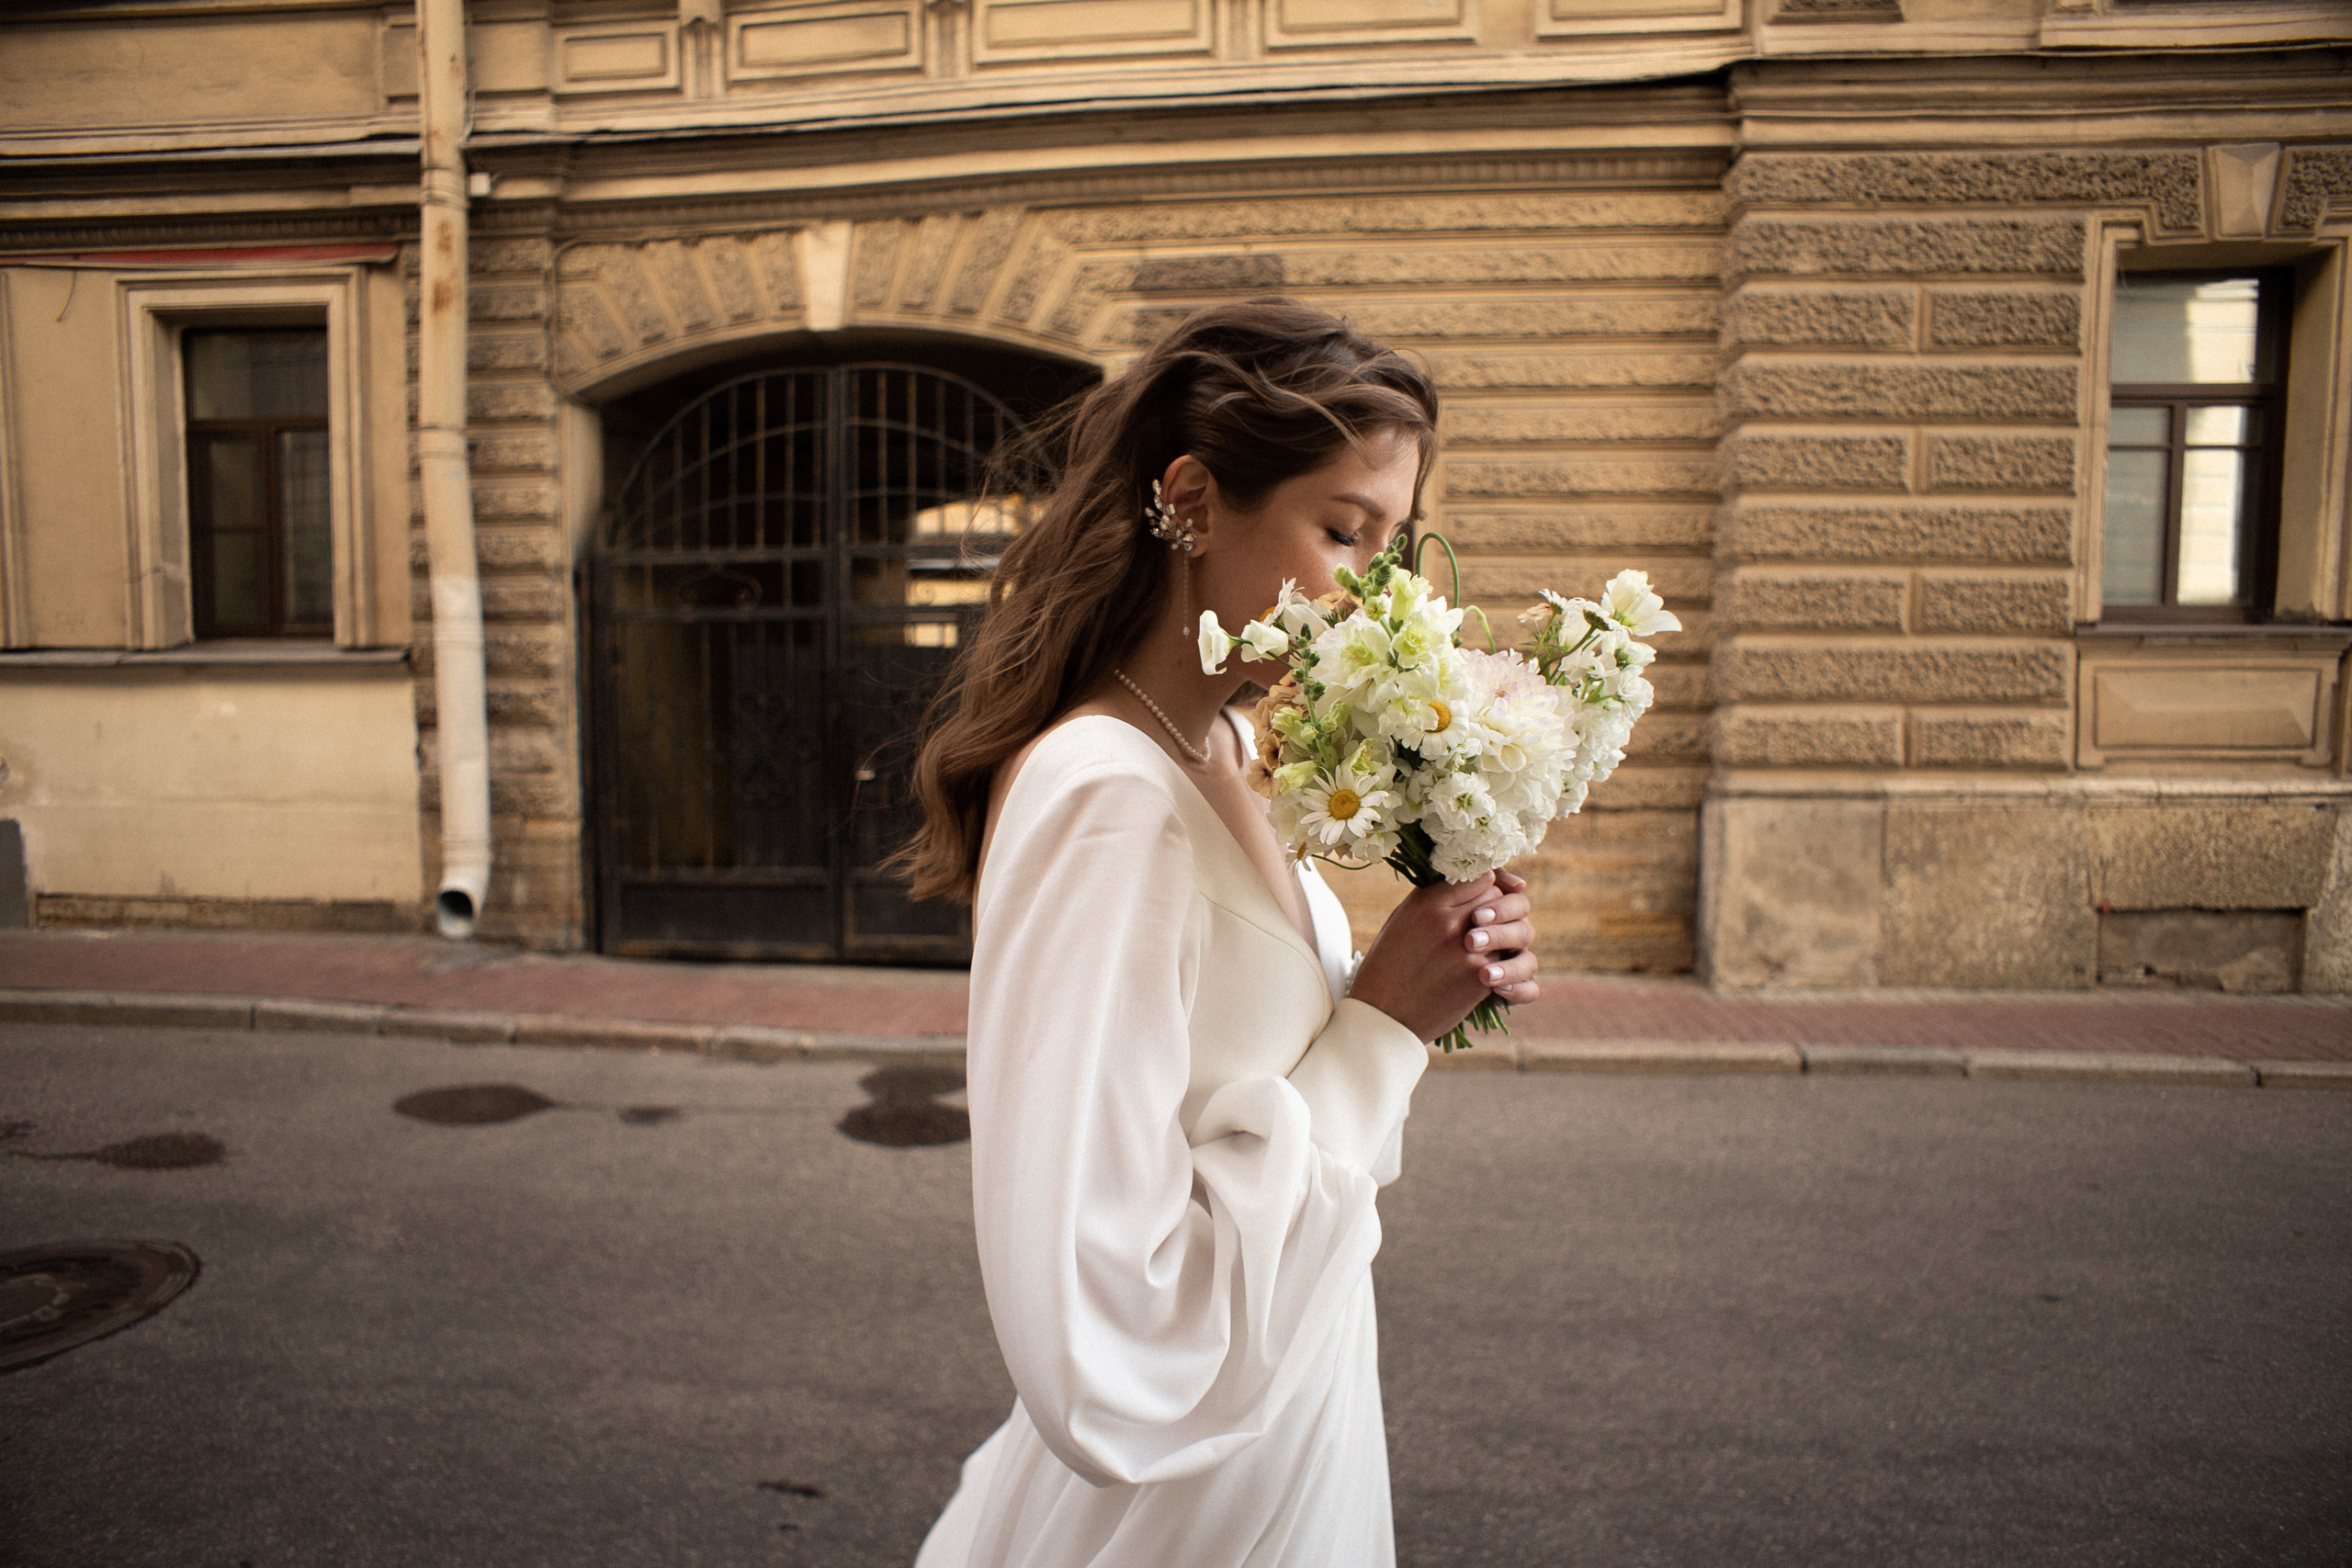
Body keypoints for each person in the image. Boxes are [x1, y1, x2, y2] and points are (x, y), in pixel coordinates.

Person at [899, 298, 1541, 1566]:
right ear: (1191, 501)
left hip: (1294, 1408)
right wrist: (1381, 1029)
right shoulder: (1105, 794)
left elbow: (1254, 1089)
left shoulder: (1238, 752)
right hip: (1188, 1495)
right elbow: (1101, 1324)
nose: (1377, 593)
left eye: (1393, 546)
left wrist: (1434, 966)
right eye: (1342, 532)